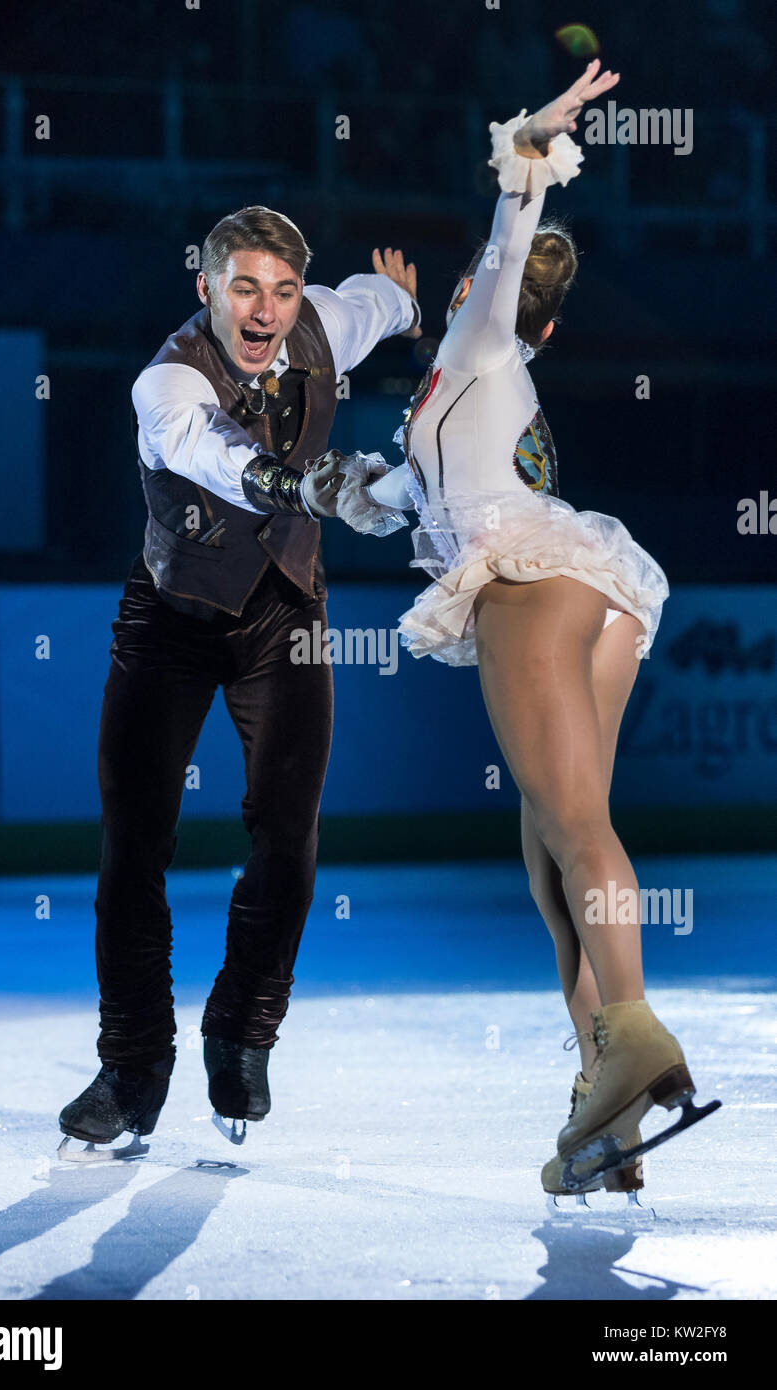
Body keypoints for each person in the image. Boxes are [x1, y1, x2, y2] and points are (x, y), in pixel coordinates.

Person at [323, 62, 719, 1198]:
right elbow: (389, 492)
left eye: (470, 288)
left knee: (569, 828)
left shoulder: (482, 349)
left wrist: (529, 155)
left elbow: (507, 243)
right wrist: (332, 480)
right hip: (588, 586)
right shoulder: (452, 404)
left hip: (532, 583)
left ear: (495, 306)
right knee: (551, 856)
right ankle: (601, 1112)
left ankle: (631, 1032)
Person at [58, 205, 420, 1155]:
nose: (265, 311)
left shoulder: (323, 327)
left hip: (285, 613)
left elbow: (375, 305)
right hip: (171, 615)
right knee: (133, 843)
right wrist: (305, 486)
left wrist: (407, 305)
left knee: (288, 835)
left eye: (283, 289)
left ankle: (242, 1036)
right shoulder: (168, 380)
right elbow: (213, 453)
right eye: (245, 288)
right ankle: (133, 1067)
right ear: (206, 287)